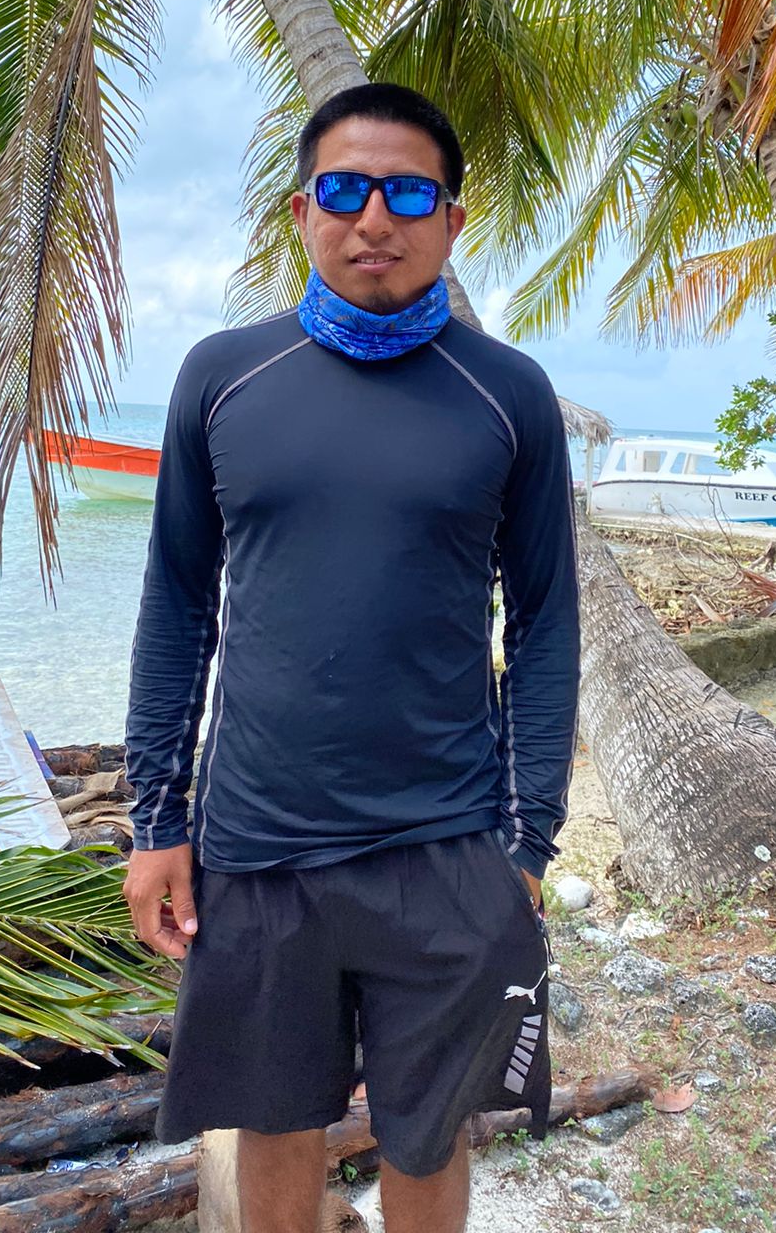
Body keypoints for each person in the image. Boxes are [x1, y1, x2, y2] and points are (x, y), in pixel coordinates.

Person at [122, 82, 580, 1233]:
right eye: (345, 188)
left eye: (409, 191)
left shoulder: (508, 394)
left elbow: (543, 625)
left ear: (452, 219)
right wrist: (154, 824)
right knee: (271, 1127)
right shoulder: (223, 378)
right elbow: (179, 606)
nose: (375, 216)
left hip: (446, 845)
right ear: (302, 209)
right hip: (260, 844)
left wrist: (527, 843)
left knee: (430, 1131)